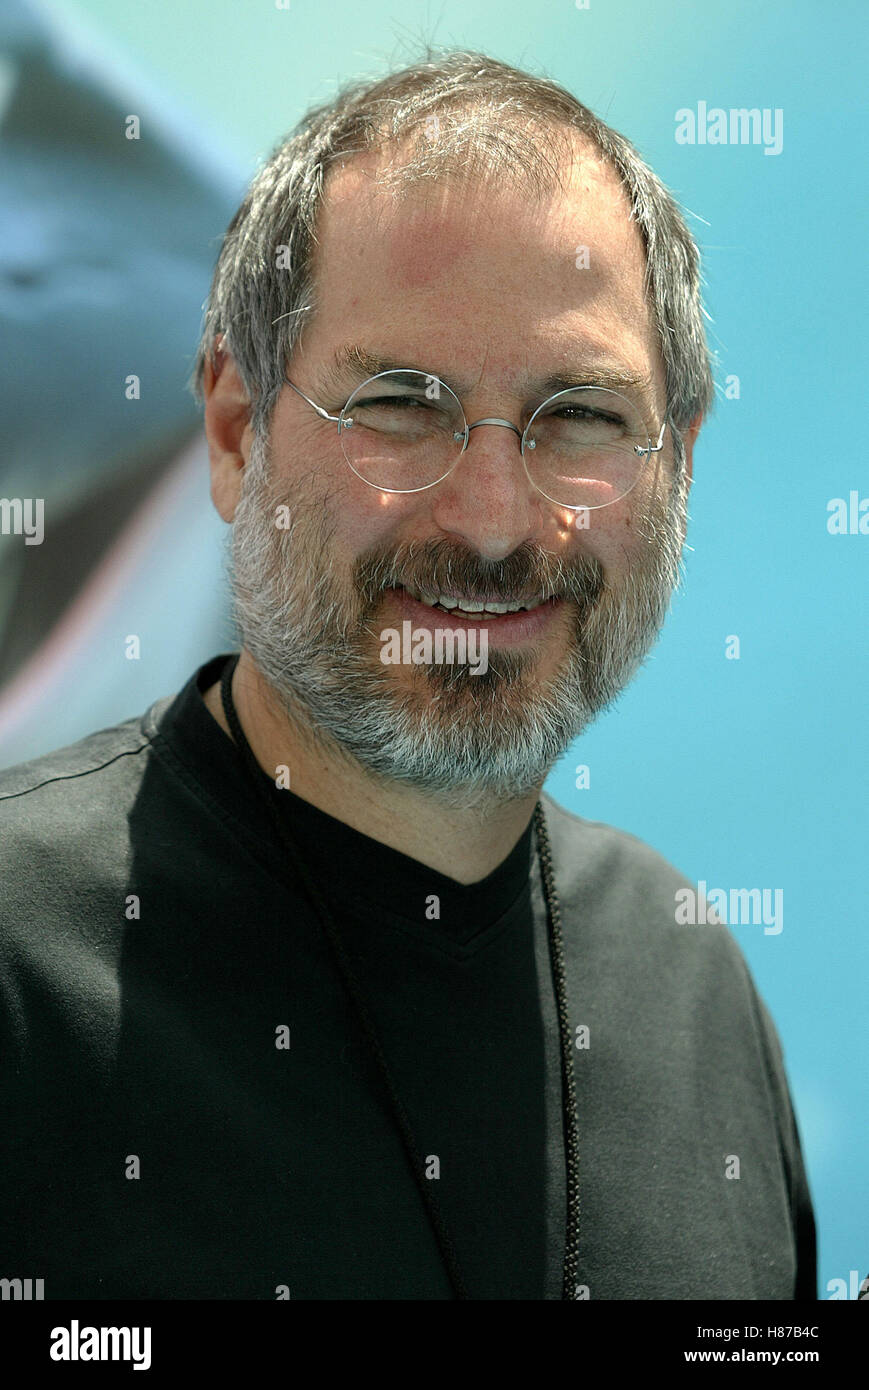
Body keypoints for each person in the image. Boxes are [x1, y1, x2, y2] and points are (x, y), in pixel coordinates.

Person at [0, 50, 816, 1300]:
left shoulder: (691, 985)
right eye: (398, 403)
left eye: (581, 415)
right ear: (232, 429)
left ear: (678, 468)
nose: (491, 523)